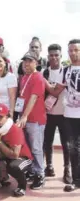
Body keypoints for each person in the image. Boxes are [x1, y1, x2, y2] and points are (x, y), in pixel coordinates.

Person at [45, 39, 80, 192]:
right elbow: (54, 91)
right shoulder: (65, 71)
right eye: (70, 50)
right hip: (69, 115)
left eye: (76, 50)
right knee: (72, 148)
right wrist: (41, 79)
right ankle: (75, 180)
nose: (73, 53)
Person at [0, 103, 33, 197]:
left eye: (0, 117)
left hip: (23, 158)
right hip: (7, 154)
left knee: (14, 167)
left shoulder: (14, 130)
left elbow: (15, 155)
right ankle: (1, 179)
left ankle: (22, 186)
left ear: (7, 117)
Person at [16, 51, 46, 190]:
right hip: (25, 118)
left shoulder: (38, 77)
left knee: (36, 148)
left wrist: (25, 116)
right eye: (25, 61)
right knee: (28, 147)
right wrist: (20, 115)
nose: (26, 64)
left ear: (36, 63)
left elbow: (33, 98)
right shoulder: (24, 78)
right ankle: (33, 171)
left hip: (35, 120)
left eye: (30, 61)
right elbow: (22, 98)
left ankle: (40, 174)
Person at [42, 44, 71, 183]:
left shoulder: (67, 72)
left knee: (66, 143)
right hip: (48, 113)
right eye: (51, 55)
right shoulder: (43, 72)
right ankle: (49, 166)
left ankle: (67, 169)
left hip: (64, 113)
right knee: (47, 141)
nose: (54, 58)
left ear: (61, 56)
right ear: (48, 56)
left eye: (56, 55)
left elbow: (57, 91)